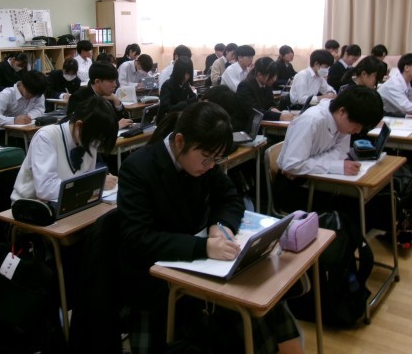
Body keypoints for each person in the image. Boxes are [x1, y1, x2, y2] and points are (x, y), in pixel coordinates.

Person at [118, 101, 304, 354]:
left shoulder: (204, 161)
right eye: (207, 159)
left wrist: (219, 225)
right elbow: (138, 239)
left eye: (216, 160)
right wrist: (203, 247)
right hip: (156, 280)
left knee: (266, 302)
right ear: (180, 141)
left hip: (200, 268)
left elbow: (229, 198)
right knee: (246, 312)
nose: (210, 166)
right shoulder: (138, 168)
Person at [276, 86, 384, 212]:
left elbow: (341, 152)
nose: (358, 131)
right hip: (293, 188)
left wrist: (308, 162)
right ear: (342, 111)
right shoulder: (311, 120)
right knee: (349, 208)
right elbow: (292, 165)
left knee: (361, 204)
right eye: (357, 125)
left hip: (316, 181)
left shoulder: (342, 121)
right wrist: (336, 166)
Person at [11, 97, 118, 202]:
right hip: (31, 204)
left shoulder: (87, 136)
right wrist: (95, 183)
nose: (95, 144)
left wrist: (92, 183)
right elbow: (46, 189)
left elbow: (87, 177)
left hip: (71, 200)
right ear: (79, 126)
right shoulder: (46, 137)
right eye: (96, 139)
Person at [232, 57, 295, 131]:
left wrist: (275, 110)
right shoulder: (244, 86)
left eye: (275, 75)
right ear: (259, 75)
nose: (274, 79)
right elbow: (255, 112)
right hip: (245, 128)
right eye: (272, 76)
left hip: (261, 125)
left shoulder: (267, 84)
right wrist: (279, 116)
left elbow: (270, 104)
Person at [67, 62, 133, 130]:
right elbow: (79, 127)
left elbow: (125, 121)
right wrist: (114, 127)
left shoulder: (110, 96)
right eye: (111, 81)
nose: (115, 85)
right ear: (97, 82)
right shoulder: (79, 98)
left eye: (115, 81)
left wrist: (117, 102)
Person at [158, 56, 197, 122]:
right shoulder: (167, 85)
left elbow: (194, 97)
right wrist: (186, 103)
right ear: (178, 72)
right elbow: (167, 108)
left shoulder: (184, 84)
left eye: (188, 73)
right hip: (169, 121)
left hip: (180, 118)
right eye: (184, 73)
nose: (187, 76)